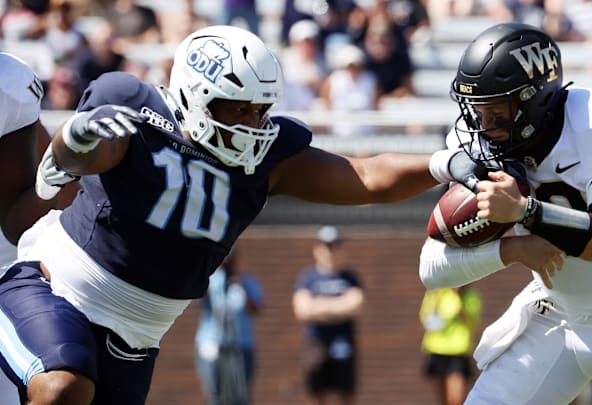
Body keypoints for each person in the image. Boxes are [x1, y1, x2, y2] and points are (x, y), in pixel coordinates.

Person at [0, 25, 463, 405]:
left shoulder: (268, 159)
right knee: (62, 387)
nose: (251, 122)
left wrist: (441, 163)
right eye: (236, 108)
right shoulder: (134, 105)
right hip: (52, 288)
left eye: (260, 110)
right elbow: (92, 151)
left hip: (138, 338)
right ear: (194, 94)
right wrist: (75, 139)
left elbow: (364, 175)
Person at [419, 22, 592, 404]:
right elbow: (430, 268)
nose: (484, 127)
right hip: (554, 313)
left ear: (534, 100)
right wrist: (512, 251)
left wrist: (524, 211)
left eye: (496, 112)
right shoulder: (478, 141)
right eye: (478, 112)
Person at [0, 51, 79, 404]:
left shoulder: (8, 85)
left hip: (3, 278)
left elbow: (20, 222)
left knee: (60, 384)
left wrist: (56, 176)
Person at [292, 226, 364, 405]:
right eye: (326, 245)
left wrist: (318, 306)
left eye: (335, 245)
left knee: (347, 394)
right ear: (317, 247)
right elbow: (302, 310)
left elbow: (355, 305)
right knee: (317, 394)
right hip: (316, 344)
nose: (330, 250)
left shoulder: (349, 277)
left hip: (343, 343)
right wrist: (339, 305)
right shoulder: (307, 277)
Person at [195, 242, 263, 405]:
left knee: (241, 394)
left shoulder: (246, 282)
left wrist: (239, 286)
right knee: (215, 393)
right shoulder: (211, 282)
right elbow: (201, 303)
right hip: (212, 343)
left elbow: (256, 309)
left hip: (241, 345)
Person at [419, 285, 482, 405]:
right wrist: (435, 298)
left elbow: (471, 323)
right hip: (437, 349)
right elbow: (426, 319)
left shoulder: (470, 296)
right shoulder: (436, 293)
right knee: (443, 400)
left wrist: (459, 299)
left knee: (455, 399)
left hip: (458, 351)